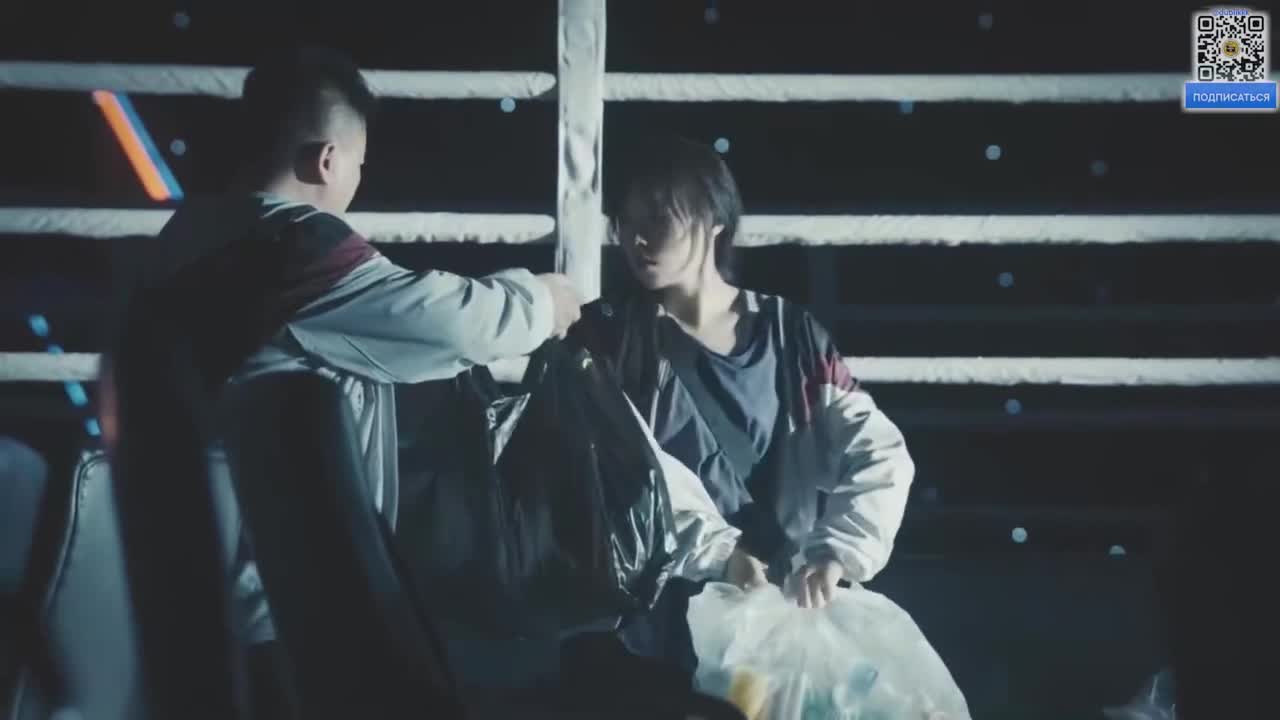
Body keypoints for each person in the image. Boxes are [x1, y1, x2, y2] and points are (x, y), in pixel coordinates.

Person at [111, 46, 581, 711]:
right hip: (279, 598)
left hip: (183, 575)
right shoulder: (295, 249)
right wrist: (540, 300)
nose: (358, 179)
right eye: (359, 163)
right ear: (327, 160)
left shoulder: (183, 237)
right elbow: (450, 323)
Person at [568, 136, 915, 676]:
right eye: (624, 221)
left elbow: (877, 451)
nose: (636, 238)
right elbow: (614, 479)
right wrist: (722, 557)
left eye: (657, 219)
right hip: (651, 621)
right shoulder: (606, 338)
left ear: (713, 220)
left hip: (781, 613)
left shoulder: (791, 334)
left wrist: (835, 554)